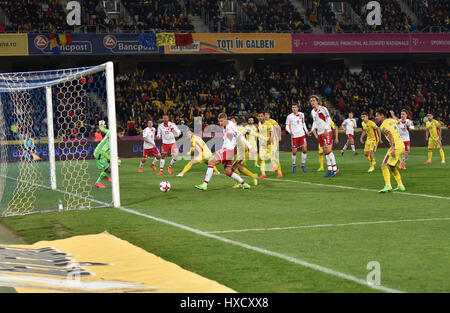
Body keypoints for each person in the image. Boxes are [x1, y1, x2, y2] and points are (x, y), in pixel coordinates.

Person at [195, 113, 253, 191]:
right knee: (228, 171)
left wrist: (249, 146)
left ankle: (204, 184)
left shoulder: (230, 127)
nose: (220, 123)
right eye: (219, 121)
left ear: (225, 120)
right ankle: (244, 184)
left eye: (222, 121)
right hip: (229, 151)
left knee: (211, 162)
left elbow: (240, 135)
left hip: (227, 150)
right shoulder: (228, 124)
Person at [375, 109, 405, 193]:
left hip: (395, 146)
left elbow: (390, 135)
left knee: (384, 165)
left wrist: (392, 148)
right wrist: (393, 114)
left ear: (382, 116)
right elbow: (398, 121)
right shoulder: (391, 120)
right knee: (392, 167)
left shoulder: (383, 126)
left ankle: (388, 185)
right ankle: (400, 185)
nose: (376, 117)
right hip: (401, 145)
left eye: (377, 115)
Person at [309, 95, 339, 177]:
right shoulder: (313, 111)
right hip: (320, 133)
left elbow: (328, 119)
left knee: (329, 151)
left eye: (313, 100)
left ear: (317, 101)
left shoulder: (323, 109)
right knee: (325, 152)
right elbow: (315, 122)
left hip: (327, 132)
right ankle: (329, 169)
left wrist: (326, 129)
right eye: (311, 101)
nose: (312, 102)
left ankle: (335, 169)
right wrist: (311, 130)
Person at [94, 121, 125, 188]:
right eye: (121, 134)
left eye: (123, 134)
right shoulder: (111, 140)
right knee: (109, 169)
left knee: (109, 168)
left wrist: (101, 126)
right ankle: (97, 183)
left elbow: (101, 129)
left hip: (103, 153)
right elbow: (102, 151)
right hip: (100, 153)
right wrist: (111, 159)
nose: (122, 136)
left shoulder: (110, 131)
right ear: (116, 133)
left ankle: (106, 176)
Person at [230, 117, 258, 188]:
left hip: (244, 152)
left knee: (233, 168)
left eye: (233, 122)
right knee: (239, 168)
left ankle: (239, 183)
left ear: (236, 123)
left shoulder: (239, 128)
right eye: (230, 122)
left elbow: (248, 131)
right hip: (241, 152)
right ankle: (253, 177)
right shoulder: (230, 131)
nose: (231, 123)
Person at [285, 103, 309, 173]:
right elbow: (286, 125)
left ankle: (302, 164)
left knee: (304, 149)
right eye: (293, 107)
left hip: (302, 134)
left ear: (298, 108)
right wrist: (290, 131)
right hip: (294, 136)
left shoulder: (302, 114)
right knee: (294, 151)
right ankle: (294, 165)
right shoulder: (289, 116)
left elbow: (303, 123)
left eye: (295, 107)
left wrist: (306, 131)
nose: (294, 109)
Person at [265, 112, 283, 177]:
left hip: (273, 140)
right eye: (265, 115)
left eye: (267, 115)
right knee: (268, 154)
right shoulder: (262, 123)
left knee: (274, 155)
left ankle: (279, 172)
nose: (266, 116)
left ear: (269, 115)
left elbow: (279, 128)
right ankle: (274, 166)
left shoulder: (272, 121)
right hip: (267, 141)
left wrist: (280, 136)